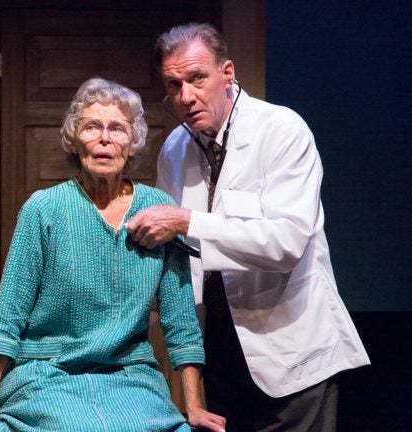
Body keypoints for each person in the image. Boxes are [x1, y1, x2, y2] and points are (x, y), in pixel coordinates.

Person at [125, 23, 370, 431]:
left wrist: (187, 220)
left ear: (227, 73)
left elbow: (286, 242)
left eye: (197, 78)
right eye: (174, 84)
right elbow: (175, 253)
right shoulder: (175, 149)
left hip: (292, 350)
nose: (186, 96)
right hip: (220, 350)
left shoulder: (281, 131)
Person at [0, 77, 225, 432]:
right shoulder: (43, 210)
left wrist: (196, 408)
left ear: (132, 143)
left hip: (130, 377)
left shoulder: (158, 211)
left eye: (117, 128)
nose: (104, 138)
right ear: (74, 138)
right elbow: (8, 316)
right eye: (92, 126)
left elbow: (181, 323)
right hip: (46, 374)